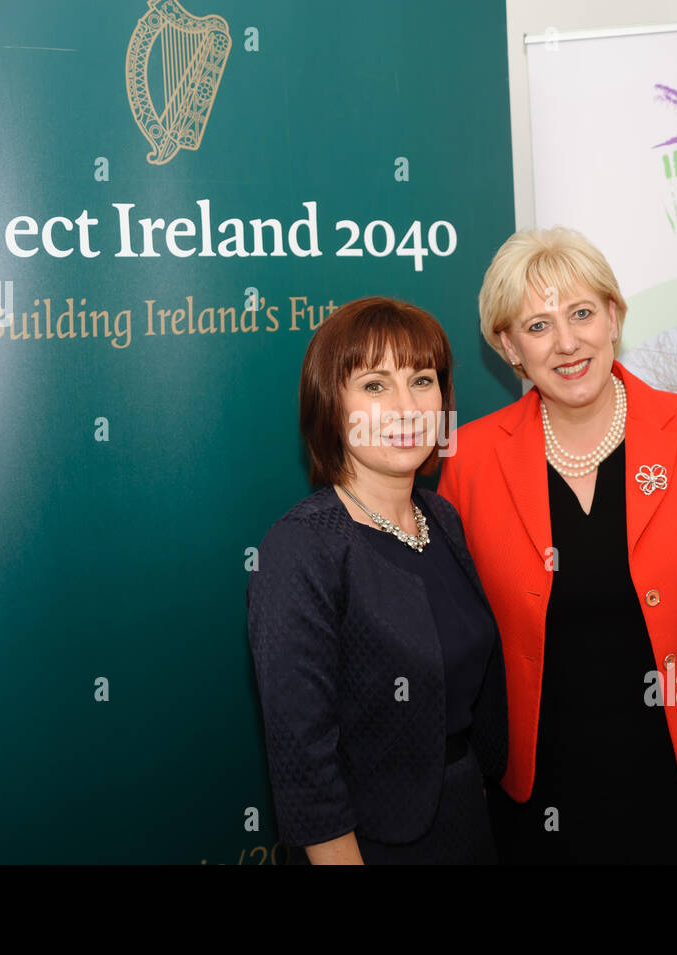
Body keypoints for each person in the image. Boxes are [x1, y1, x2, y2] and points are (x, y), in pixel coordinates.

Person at [437, 227, 677, 865]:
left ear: (613, 316)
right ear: (508, 347)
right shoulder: (468, 459)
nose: (566, 342)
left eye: (582, 313)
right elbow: (452, 636)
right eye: (537, 326)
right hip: (539, 800)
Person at [246, 296, 508, 864]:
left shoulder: (442, 519)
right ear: (330, 404)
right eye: (373, 385)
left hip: (466, 824)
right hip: (367, 845)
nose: (406, 407)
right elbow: (302, 753)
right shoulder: (301, 547)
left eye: (422, 380)